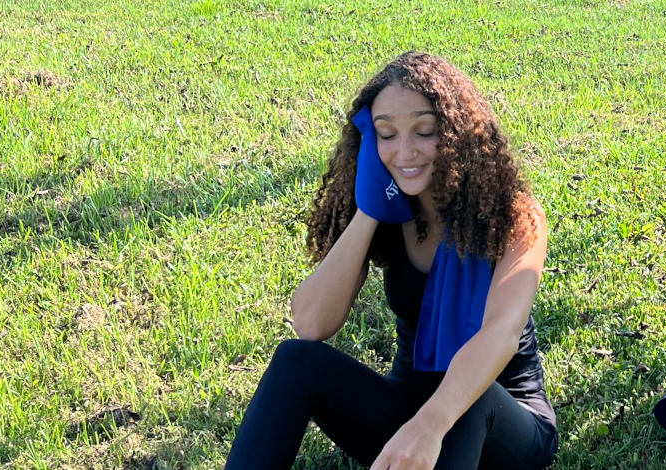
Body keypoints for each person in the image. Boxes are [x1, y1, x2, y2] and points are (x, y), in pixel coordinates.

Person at [224, 52, 557, 470]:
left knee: (472, 398)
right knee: (296, 361)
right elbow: (310, 324)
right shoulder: (386, 213)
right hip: (408, 413)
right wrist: (369, 209)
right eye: (386, 134)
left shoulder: (514, 216)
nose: (405, 152)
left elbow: (502, 333)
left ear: (457, 135)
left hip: (501, 422)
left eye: (424, 131)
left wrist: (432, 423)